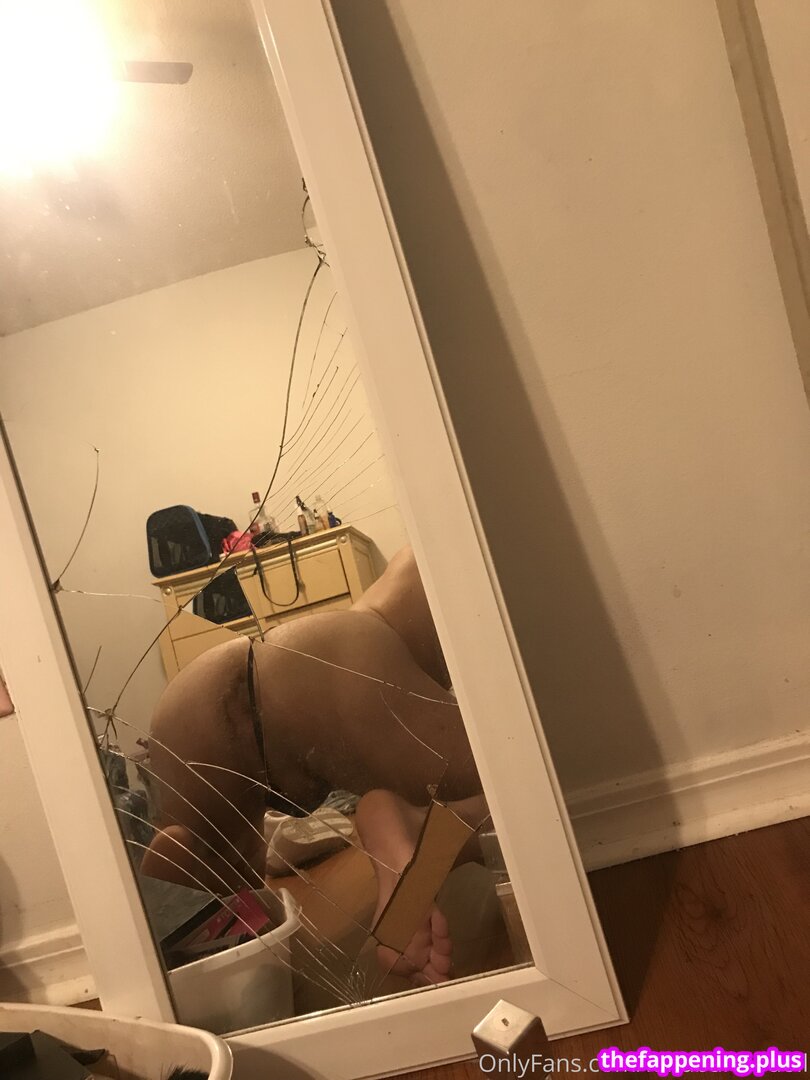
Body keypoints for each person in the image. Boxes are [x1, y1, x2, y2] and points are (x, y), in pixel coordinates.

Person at [142, 546, 487, 985]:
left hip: (205, 700)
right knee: (525, 787)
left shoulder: (420, 557)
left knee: (227, 873)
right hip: (332, 666)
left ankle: (193, 915)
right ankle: (415, 827)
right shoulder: (472, 545)